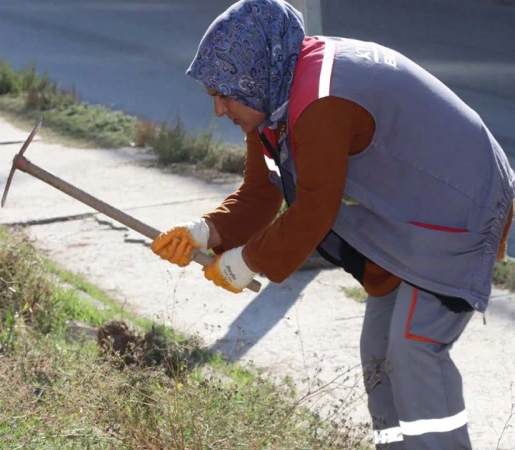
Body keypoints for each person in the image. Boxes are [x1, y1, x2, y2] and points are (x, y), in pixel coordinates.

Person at [150, 0, 515, 448]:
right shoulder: (274, 96)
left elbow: (315, 210)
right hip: (408, 216)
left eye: (224, 93)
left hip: (458, 206)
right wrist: (203, 231)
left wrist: (244, 262)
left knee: (413, 347)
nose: (219, 110)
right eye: (213, 95)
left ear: (253, 74)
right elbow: (262, 192)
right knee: (379, 353)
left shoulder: (320, 101)